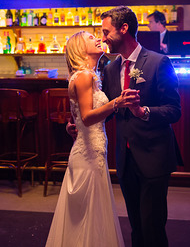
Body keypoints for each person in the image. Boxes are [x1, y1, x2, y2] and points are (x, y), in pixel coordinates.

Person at [68, 6, 182, 246]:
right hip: (125, 158)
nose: (102, 37)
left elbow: (174, 110)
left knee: (153, 226)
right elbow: (109, 110)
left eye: (106, 31)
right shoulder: (109, 69)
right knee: (136, 226)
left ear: (124, 28)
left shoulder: (159, 62)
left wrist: (144, 112)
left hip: (154, 156)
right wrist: (80, 125)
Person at [46, 31, 138, 247]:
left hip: (89, 150)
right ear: (79, 48)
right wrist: (117, 102)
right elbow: (87, 118)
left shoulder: (85, 76)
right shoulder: (85, 77)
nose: (98, 39)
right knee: (89, 213)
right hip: (88, 155)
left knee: (87, 214)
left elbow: (78, 117)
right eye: (90, 38)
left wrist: (73, 126)